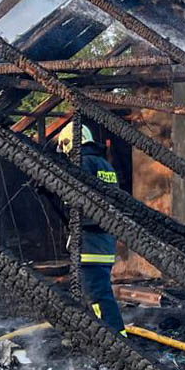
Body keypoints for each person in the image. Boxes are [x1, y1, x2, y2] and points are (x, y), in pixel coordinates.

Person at [56, 122, 127, 336]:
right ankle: (99, 337)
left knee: (97, 295)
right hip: (104, 240)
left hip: (90, 243)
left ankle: (115, 340)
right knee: (98, 292)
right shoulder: (104, 165)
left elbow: (78, 203)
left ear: (68, 143)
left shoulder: (83, 164)